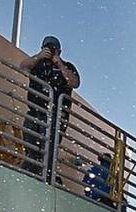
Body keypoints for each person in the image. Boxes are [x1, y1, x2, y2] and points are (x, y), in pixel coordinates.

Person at [19, 36, 80, 177]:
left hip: (57, 114)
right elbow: (23, 66)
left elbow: (74, 82)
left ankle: (47, 174)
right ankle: (30, 173)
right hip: (35, 111)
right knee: (31, 145)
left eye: (53, 48)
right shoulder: (37, 63)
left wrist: (59, 63)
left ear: (59, 50)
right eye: (47, 47)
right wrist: (39, 57)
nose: (50, 51)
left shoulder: (67, 66)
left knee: (50, 148)